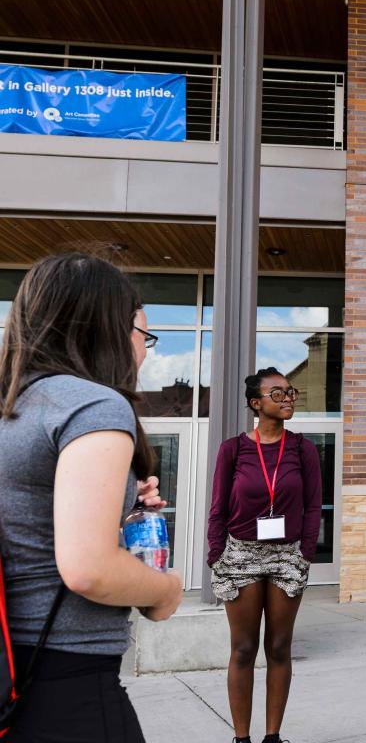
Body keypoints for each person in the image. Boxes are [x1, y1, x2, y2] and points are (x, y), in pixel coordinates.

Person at [0, 252, 182, 742]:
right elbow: (88, 569)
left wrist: (118, 506)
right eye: (145, 336)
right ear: (108, 329)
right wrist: (166, 590)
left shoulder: (14, 405)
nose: (145, 352)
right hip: (64, 681)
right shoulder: (92, 404)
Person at [207, 367, 323, 743]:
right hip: (240, 553)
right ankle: (242, 738)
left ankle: (272, 737)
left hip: (287, 556)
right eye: (278, 393)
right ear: (256, 404)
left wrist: (304, 552)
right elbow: (218, 507)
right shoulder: (234, 449)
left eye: (290, 391)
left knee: (278, 646)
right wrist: (216, 554)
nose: (288, 397)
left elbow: (312, 506)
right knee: (243, 648)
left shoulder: (303, 449)